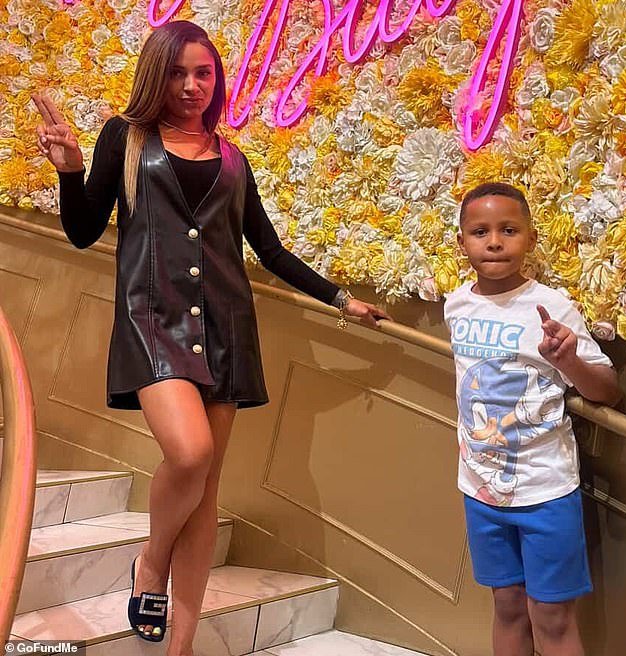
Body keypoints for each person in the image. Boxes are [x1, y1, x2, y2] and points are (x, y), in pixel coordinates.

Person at [32, 20, 390, 656]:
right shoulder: (126, 137)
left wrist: (341, 300)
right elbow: (85, 232)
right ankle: (151, 560)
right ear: (156, 75)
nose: (191, 85)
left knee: (205, 494)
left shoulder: (232, 159)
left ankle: (183, 644)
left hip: (226, 329)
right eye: (177, 72)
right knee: (190, 455)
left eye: (203, 73)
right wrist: (71, 171)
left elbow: (269, 250)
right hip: (151, 321)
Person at [444, 182, 621, 656]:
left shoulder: (552, 306)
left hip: (545, 490)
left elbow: (607, 390)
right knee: (506, 606)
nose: (494, 242)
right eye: (480, 232)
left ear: (531, 238)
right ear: (462, 242)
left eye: (509, 230)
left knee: (551, 616)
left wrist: (569, 361)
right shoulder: (456, 304)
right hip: (480, 489)